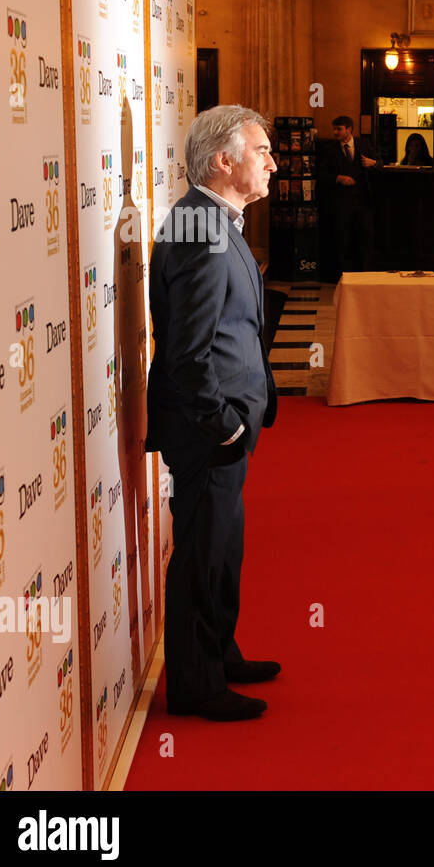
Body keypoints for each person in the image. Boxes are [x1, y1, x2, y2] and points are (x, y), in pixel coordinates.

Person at [146, 105, 281, 722]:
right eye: (261, 151)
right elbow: (187, 352)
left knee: (224, 547)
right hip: (209, 429)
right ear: (224, 161)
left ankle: (219, 653)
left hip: (225, 424)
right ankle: (197, 687)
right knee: (202, 551)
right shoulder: (201, 229)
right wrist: (224, 424)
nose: (272, 162)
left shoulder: (216, 219)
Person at [320, 114, 378, 275]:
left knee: (365, 237)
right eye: (334, 129)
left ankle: (366, 273)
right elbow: (321, 174)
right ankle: (344, 274)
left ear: (349, 129)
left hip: (363, 201)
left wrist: (373, 163)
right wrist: (338, 178)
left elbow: (380, 162)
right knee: (342, 239)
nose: (335, 133)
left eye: (339, 129)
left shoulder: (364, 144)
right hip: (341, 202)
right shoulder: (330, 149)